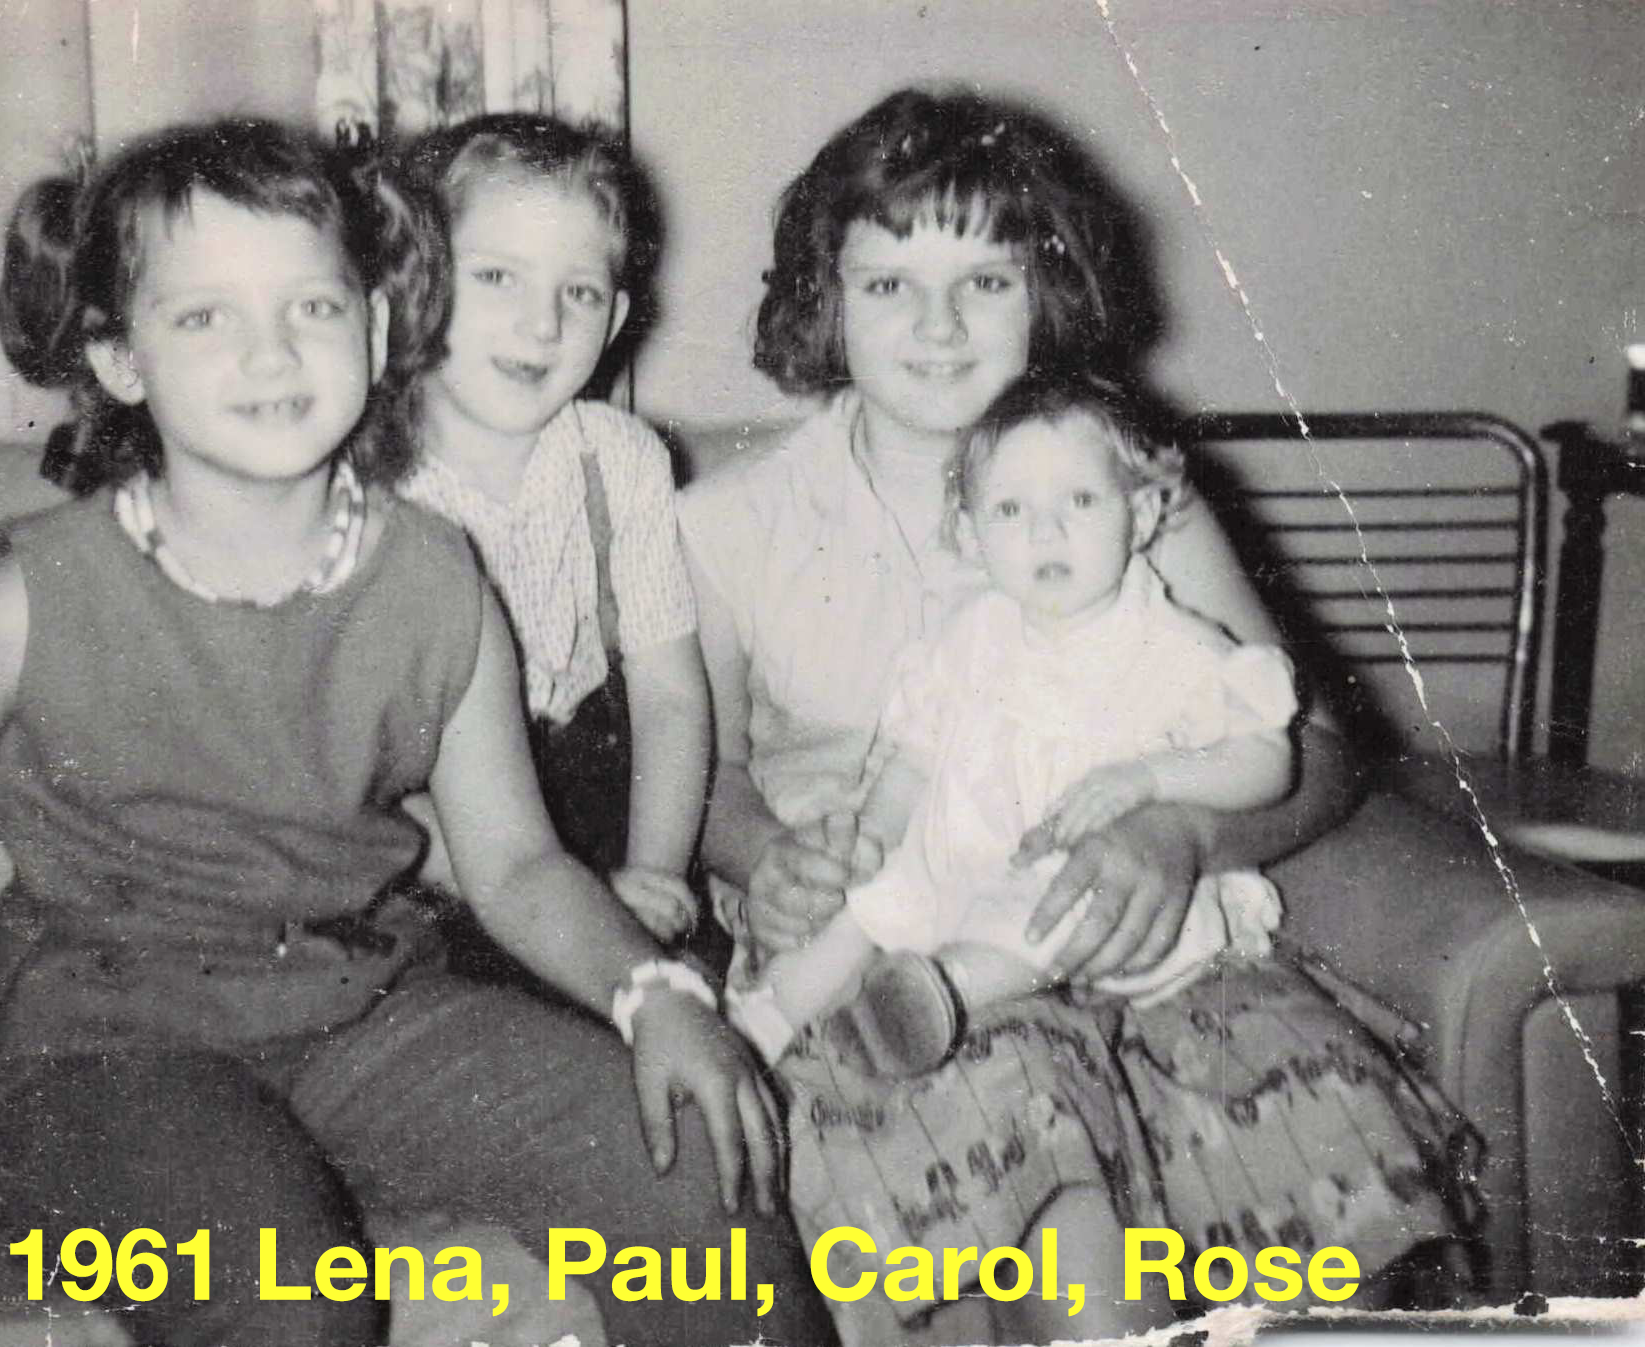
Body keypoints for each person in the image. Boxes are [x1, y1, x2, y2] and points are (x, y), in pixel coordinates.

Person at [0, 117, 830, 1347]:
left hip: (361, 1005)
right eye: (206, 316)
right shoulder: (23, 601)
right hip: (94, 1046)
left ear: (375, 326)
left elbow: (517, 867)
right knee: (288, 1294)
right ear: (120, 358)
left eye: (311, 306)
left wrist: (655, 993)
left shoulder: (437, 575)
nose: (271, 353)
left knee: (694, 1167)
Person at [678, 87, 1478, 1343]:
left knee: (1331, 1191)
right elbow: (702, 779)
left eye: (984, 283)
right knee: (1073, 1250)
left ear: (1045, 289)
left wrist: (1182, 837)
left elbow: (1317, 752)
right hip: (891, 937)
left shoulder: (1133, 495)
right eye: (887, 285)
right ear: (824, 299)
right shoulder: (727, 522)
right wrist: (764, 858)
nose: (937, 327)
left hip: (1144, 926)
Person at [726, 373, 1299, 1085]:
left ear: (1143, 512)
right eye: (1010, 509)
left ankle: (940, 995)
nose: (1044, 531)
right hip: (965, 854)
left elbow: (1269, 759)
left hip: (1086, 879)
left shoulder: (1174, 647)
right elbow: (916, 757)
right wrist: (872, 835)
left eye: (1080, 501)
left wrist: (1151, 780)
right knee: (873, 904)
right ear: (972, 536)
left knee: (1044, 919)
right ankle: (766, 1021)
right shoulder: (973, 635)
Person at [390, 113, 704, 943]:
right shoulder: (372, 485)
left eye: (580, 292)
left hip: (608, 824)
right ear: (419, 282)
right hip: (441, 863)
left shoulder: (622, 461)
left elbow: (670, 700)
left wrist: (656, 877)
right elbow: (361, 788)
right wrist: (577, 906)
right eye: (498, 277)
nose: (543, 324)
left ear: (616, 316)